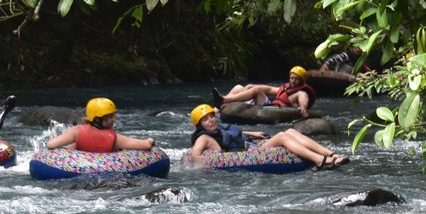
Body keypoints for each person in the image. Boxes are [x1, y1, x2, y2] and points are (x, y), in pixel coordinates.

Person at [188, 103, 347, 168]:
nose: (210, 120)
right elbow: (195, 155)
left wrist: (253, 133)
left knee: (291, 131)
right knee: (282, 136)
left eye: (211, 116)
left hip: (251, 147)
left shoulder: (216, 127)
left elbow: (233, 133)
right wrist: (213, 165)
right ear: (199, 124)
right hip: (244, 155)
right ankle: (320, 161)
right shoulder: (203, 137)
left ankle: (330, 154)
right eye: (205, 119)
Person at [45, 97, 157, 152]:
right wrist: (150, 140)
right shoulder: (114, 139)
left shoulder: (77, 131)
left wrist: (72, 148)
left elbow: (51, 144)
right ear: (97, 119)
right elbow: (145, 145)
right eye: (110, 117)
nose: (114, 120)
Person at [212, 66, 317, 116]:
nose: (293, 81)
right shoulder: (287, 88)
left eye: (296, 79)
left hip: (272, 110)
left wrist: (303, 107)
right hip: (270, 106)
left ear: (302, 80)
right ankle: (215, 110)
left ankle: (224, 100)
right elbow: (270, 89)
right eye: (292, 78)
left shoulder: (301, 92)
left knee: (256, 91)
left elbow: (303, 98)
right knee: (239, 87)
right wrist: (251, 86)